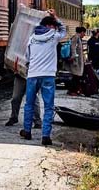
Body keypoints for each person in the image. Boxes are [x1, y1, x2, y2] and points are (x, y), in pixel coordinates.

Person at [21, 10, 68, 146]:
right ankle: (45, 136)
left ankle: (27, 131)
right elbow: (64, 30)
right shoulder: (54, 36)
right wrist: (55, 17)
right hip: (48, 75)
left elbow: (27, 57)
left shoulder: (32, 38)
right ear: (51, 26)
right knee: (48, 106)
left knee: (29, 104)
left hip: (33, 75)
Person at [65, 26, 87, 95]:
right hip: (76, 61)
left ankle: (74, 90)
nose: (84, 34)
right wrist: (74, 57)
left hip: (78, 61)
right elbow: (73, 48)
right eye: (84, 33)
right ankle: (72, 90)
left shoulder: (78, 38)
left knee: (77, 76)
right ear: (81, 32)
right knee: (76, 76)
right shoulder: (76, 38)